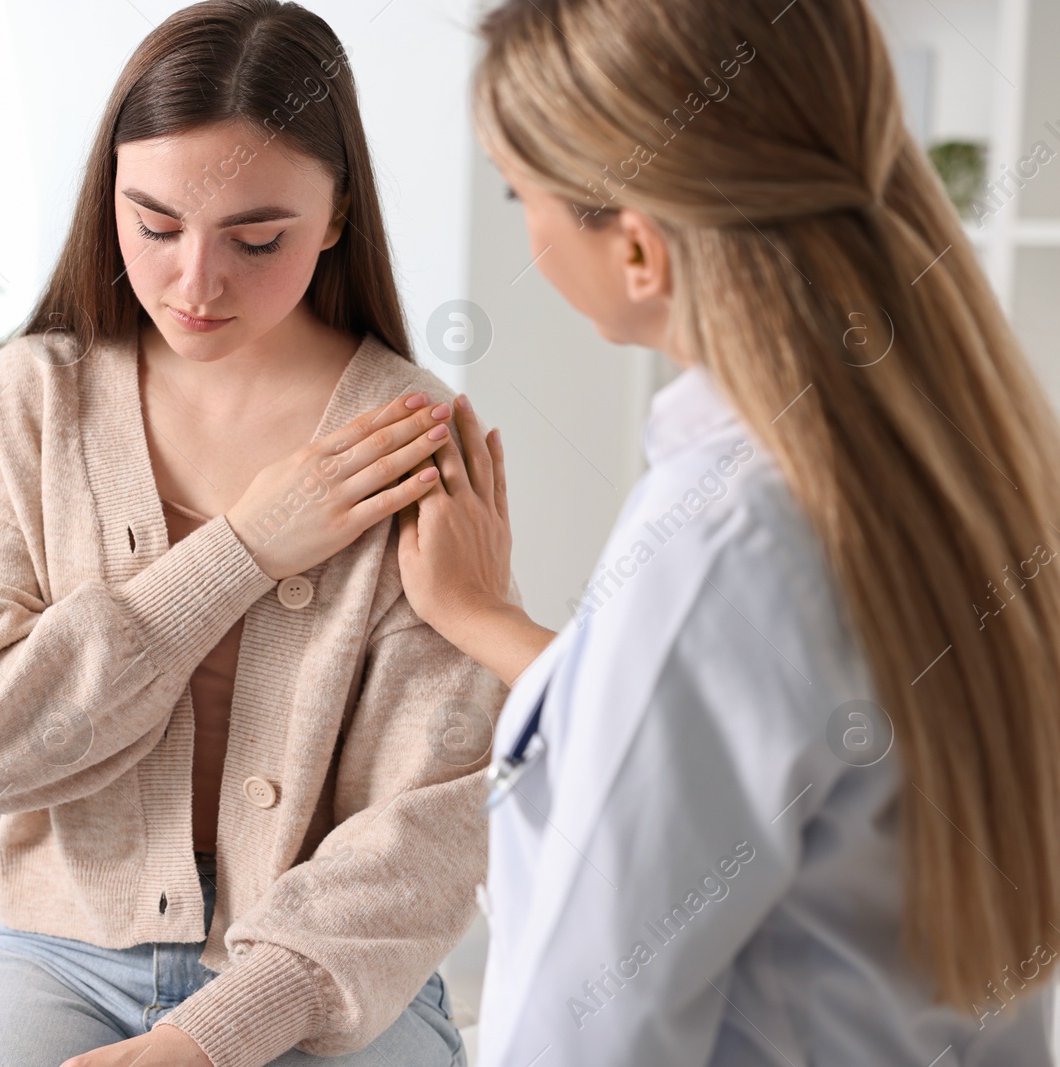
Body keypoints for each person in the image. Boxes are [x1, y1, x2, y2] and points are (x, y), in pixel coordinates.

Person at [396, 0, 1060, 1063]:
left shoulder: (721, 540)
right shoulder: (961, 469)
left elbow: (581, 1029)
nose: (524, 227)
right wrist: (492, 622)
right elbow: (757, 734)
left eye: (521, 194)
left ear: (641, 250)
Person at [0, 3, 507, 1066]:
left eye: (256, 238)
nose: (194, 283)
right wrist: (244, 549)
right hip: (62, 948)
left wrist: (215, 1033)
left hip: (327, 975)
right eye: (155, 225)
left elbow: (434, 820)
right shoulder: (37, 400)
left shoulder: (411, 434)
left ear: (338, 214)